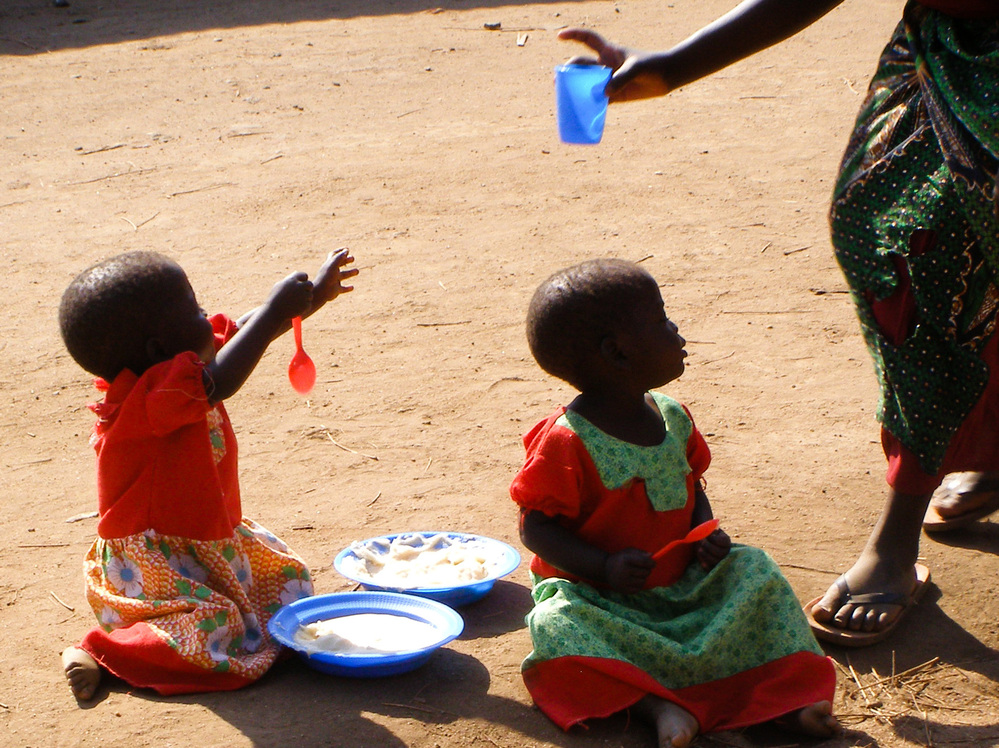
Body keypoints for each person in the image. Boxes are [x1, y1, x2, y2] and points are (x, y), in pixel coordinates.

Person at [557, 0, 999, 646]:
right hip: (939, 51)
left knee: (952, 256)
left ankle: (919, 506)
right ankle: (968, 450)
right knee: (886, 237)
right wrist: (668, 67)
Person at [510, 259, 839, 748]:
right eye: (662, 320)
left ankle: (786, 698)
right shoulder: (566, 441)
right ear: (617, 353)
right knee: (555, 624)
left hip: (685, 588)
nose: (676, 329)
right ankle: (656, 705)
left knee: (755, 569)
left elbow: (691, 489)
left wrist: (706, 534)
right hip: (604, 602)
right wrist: (602, 565)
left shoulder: (672, 417)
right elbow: (535, 528)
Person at [58, 248, 357, 700]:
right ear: (158, 350)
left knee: (289, 584)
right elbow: (225, 378)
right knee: (200, 633)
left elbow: (244, 332)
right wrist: (278, 307)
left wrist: (308, 301)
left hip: (203, 541)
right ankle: (103, 652)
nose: (207, 315)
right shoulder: (150, 399)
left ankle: (150, 643)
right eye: (196, 309)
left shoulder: (179, 363)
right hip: (154, 564)